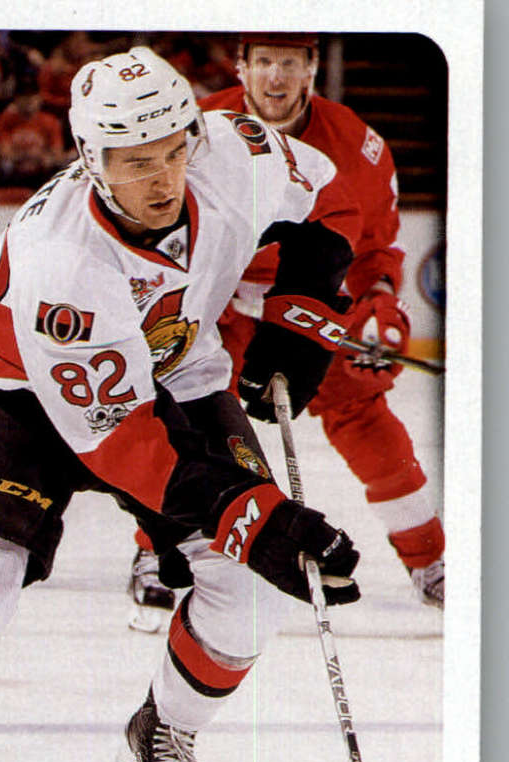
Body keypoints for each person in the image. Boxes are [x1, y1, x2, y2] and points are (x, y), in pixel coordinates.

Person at [0, 47, 363, 762]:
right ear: (90, 158)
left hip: (175, 374)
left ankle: (164, 729)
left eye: (174, 151)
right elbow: (124, 444)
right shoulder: (62, 260)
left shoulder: (234, 150)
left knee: (252, 591)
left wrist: (303, 304)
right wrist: (259, 518)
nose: (164, 178)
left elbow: (329, 193)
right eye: (136, 161)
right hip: (20, 393)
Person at [129, 32, 444, 628]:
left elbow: (376, 248)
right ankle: (157, 553)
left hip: (312, 297)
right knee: (186, 415)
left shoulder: (358, 145)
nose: (276, 77)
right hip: (219, 297)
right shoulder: (196, 129)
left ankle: (428, 559)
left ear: (312, 69)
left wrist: (379, 307)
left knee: (362, 413)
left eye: (290, 63)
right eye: (265, 62)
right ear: (241, 68)